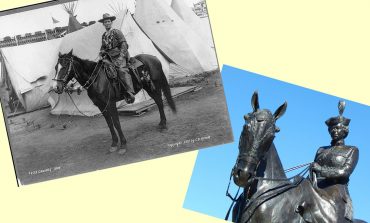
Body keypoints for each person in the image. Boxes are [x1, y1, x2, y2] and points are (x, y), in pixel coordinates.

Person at [311, 101, 359, 222]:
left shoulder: (352, 150)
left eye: (337, 128)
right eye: (332, 128)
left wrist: (321, 169)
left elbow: (344, 172)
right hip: (316, 187)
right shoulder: (321, 150)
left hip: (337, 190)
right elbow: (313, 171)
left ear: (345, 130)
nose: (334, 131)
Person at [98, 13, 135, 103]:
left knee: (122, 70)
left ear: (111, 22)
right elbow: (103, 47)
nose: (107, 23)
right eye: (105, 22)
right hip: (109, 57)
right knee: (100, 69)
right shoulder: (104, 35)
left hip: (119, 55)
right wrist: (101, 51)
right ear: (103, 24)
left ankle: (130, 92)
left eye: (108, 21)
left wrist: (121, 57)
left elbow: (124, 45)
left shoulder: (117, 32)